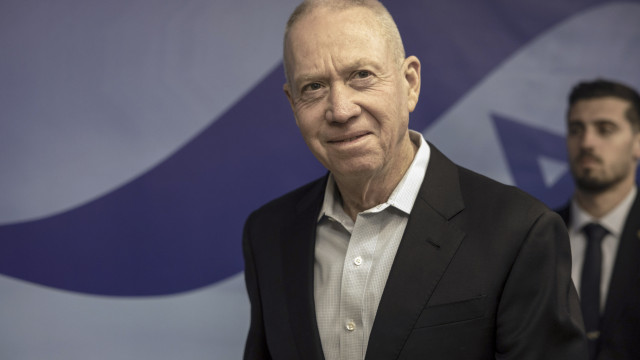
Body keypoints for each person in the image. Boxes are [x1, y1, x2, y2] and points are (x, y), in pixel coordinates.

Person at [242, 1, 587, 358]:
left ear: (410, 83)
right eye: (313, 86)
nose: (341, 110)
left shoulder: (519, 231)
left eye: (361, 75)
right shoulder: (269, 234)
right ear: (292, 103)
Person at [556, 79, 640, 360]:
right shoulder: (536, 233)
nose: (587, 143)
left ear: (638, 142)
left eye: (605, 130)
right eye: (576, 129)